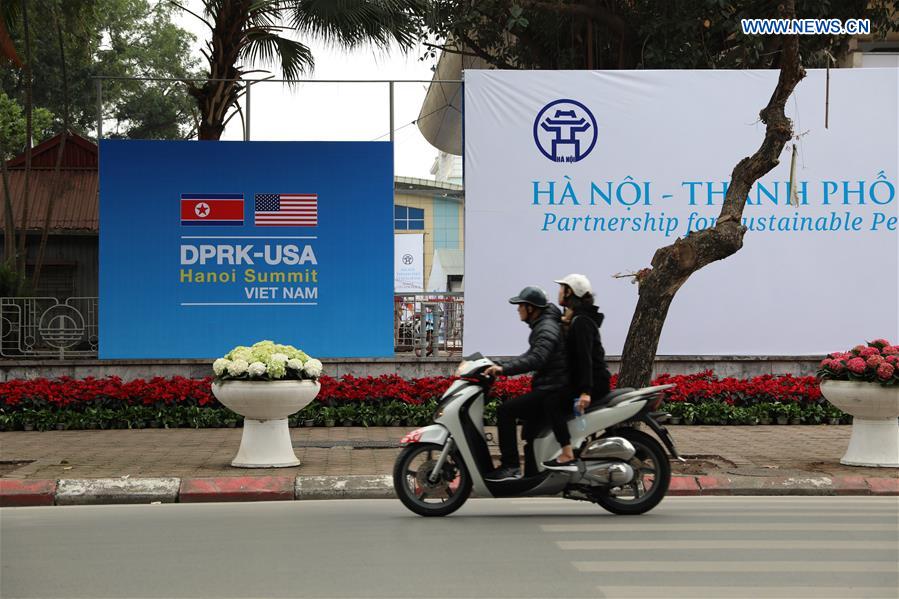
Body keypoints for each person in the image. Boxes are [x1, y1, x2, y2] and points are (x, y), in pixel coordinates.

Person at [483, 286, 569, 481]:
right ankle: (533, 474)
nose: (518, 309)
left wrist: (504, 370)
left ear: (531, 308)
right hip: (550, 386)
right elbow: (531, 355)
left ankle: (511, 466)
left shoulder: (546, 328)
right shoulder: (544, 324)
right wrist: (500, 365)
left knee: (506, 411)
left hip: (552, 388)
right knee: (530, 429)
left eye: (521, 305)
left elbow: (536, 359)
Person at [542, 273, 612, 471]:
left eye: (562, 288)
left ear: (570, 292)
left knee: (552, 403)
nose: (559, 292)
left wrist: (585, 391)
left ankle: (566, 453)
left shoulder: (581, 322)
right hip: (588, 381)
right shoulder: (576, 319)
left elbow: (584, 359)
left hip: (594, 382)